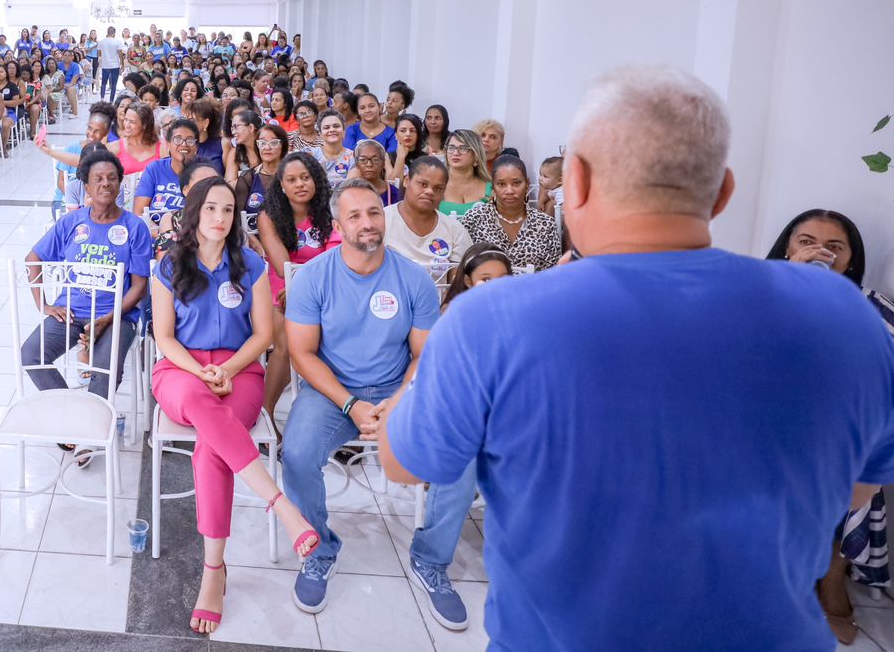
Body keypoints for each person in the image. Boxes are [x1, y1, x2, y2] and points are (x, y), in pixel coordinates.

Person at [379, 65, 894, 651]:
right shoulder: (845, 315)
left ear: (573, 183)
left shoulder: (494, 318)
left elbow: (405, 462)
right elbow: (858, 487)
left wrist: (415, 371)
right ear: (724, 191)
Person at [149, 177, 319, 633]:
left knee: (212, 451)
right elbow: (163, 336)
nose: (221, 219)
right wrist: (200, 372)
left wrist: (228, 368)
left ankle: (213, 570)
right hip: (181, 371)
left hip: (240, 370)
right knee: (205, 411)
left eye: (228, 210)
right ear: (196, 213)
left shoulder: (252, 266)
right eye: (211, 210)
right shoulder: (168, 265)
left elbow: (264, 335)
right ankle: (282, 506)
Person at [281, 179, 453, 617]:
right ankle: (319, 549)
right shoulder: (314, 277)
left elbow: (423, 356)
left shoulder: (413, 278)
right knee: (297, 453)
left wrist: (396, 402)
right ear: (338, 224)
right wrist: (350, 404)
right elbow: (301, 354)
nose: (367, 223)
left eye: (374, 212)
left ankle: (430, 558)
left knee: (459, 453)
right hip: (334, 391)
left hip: (400, 389)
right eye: (355, 215)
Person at [766, 209, 891, 643]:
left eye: (834, 246)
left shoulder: (873, 303)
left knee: (846, 494)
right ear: (788, 248)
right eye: (806, 241)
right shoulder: (760, 294)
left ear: (850, 259)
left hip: (845, 431)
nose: (819, 250)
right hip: (773, 426)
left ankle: (832, 578)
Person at [21, 146, 152, 462]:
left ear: (120, 183)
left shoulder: (135, 228)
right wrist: (45, 305)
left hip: (118, 315)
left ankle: (89, 432)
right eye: (97, 179)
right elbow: (33, 259)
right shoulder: (71, 223)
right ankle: (75, 418)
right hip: (72, 311)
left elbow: (139, 287)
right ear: (86, 186)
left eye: (111, 178)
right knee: (32, 353)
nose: (105, 184)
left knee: (104, 367)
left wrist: (107, 318)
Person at [257, 153, 335, 438]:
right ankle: (264, 414)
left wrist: (317, 287)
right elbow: (282, 266)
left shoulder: (328, 212)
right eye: (291, 179)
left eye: (305, 177)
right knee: (286, 344)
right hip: (283, 292)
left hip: (326, 289)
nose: (300, 184)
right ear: (282, 186)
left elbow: (335, 259)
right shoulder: (269, 216)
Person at [461, 155, 561, 271]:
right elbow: (463, 269)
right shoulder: (474, 218)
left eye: (516, 183)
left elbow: (553, 273)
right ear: (493, 186)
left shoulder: (545, 224)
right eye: (501, 184)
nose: (509, 191)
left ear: (527, 184)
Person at [382, 156, 470, 281]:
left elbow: (456, 286)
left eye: (438, 188)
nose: (430, 191)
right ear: (406, 181)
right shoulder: (382, 221)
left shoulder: (454, 230)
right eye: (423, 184)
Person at [134, 118, 201, 234]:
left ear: (196, 147)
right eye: (178, 139)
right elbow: (139, 213)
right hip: (156, 237)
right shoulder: (154, 169)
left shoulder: (204, 172)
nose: (184, 144)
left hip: (192, 239)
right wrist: (164, 236)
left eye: (190, 140)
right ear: (168, 144)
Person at [439, 129, 492, 216]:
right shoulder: (436, 185)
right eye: (451, 148)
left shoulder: (491, 189)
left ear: (476, 154)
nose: (455, 153)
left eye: (463, 148)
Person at [115, 102, 161, 177]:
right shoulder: (116, 147)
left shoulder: (161, 147)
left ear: (144, 125)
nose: (127, 125)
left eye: (132, 122)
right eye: (126, 120)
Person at [344, 93, 398, 157]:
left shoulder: (391, 133)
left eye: (371, 106)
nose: (367, 110)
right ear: (358, 111)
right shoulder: (352, 130)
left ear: (380, 106)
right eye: (362, 108)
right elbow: (348, 154)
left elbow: (391, 157)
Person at [351, 139, 400, 207]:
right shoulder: (350, 193)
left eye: (375, 160)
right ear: (357, 164)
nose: (369, 164)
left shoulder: (394, 193)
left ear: (383, 163)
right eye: (363, 160)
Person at [314, 111, 354, 185]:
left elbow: (351, 187)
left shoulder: (353, 157)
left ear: (344, 131)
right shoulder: (311, 155)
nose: (332, 130)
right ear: (320, 134)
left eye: (336, 126)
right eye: (326, 127)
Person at [386, 114, 426, 186]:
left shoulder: (425, 158)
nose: (408, 134)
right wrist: (400, 157)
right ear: (396, 135)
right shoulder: (388, 156)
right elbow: (393, 186)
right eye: (403, 130)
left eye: (412, 130)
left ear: (418, 135)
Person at [98, 27, 124, 101]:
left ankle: (102, 99)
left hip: (105, 65)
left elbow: (99, 53)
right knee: (114, 84)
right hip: (115, 65)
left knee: (103, 83)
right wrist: (122, 64)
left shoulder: (101, 42)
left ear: (107, 32)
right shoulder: (117, 42)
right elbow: (120, 54)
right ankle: (111, 101)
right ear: (114, 33)